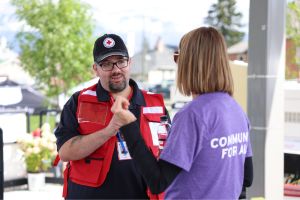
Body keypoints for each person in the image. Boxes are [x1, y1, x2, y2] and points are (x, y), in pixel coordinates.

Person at [111, 27, 253, 199]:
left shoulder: (193, 115)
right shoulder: (236, 110)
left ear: (190, 63)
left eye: (178, 58)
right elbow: (247, 177)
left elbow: (157, 181)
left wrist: (128, 126)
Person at [54, 33, 170, 199]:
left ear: (129, 62)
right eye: (106, 64)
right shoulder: (78, 101)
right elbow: (65, 152)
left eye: (121, 61)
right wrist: (110, 129)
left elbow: (170, 156)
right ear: (96, 69)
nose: (116, 69)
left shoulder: (155, 104)